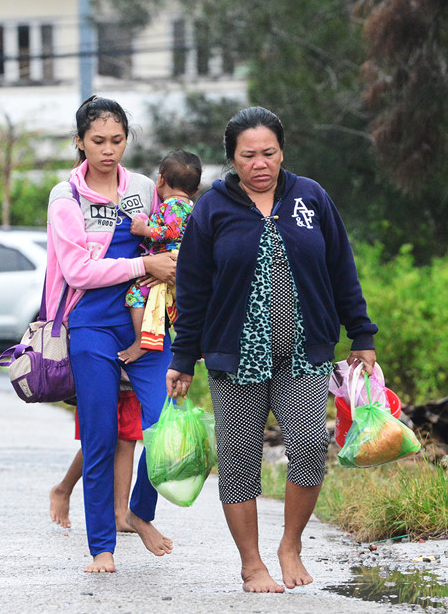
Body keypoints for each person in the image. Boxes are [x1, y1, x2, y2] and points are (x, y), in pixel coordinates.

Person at [165, 106, 378, 593]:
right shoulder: (211, 209)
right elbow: (193, 289)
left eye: (269, 152)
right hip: (234, 355)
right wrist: (183, 357)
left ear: (282, 152)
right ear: (231, 159)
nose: (259, 163)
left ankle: (291, 545)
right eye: (248, 155)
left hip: (304, 351)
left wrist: (361, 334)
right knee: (239, 458)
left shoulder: (311, 197)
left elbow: (341, 267)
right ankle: (251, 563)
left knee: (309, 446)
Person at [44, 95, 178, 574]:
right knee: (100, 437)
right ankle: (102, 547)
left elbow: (168, 238)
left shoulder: (142, 187)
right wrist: (145, 265)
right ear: (80, 142)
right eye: (97, 140)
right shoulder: (66, 197)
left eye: (117, 140)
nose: (108, 150)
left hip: (149, 323)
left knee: (164, 429)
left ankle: (138, 511)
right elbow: (78, 270)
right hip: (92, 324)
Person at [118, 149, 202, 363]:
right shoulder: (191, 207)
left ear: (161, 180)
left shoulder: (173, 205)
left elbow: (170, 231)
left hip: (165, 262)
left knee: (135, 295)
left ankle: (142, 342)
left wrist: (144, 230)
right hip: (180, 265)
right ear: (196, 189)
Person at [49, 374, 142, 534]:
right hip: (98, 374)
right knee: (100, 439)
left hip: (131, 377)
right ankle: (63, 489)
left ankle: (120, 514)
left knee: (127, 439)